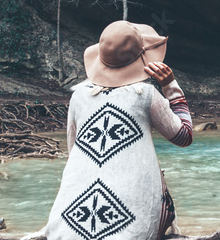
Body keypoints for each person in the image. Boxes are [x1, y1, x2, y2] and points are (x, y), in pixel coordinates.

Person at [44, 21, 193, 240]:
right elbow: (184, 136)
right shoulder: (146, 95)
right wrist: (171, 87)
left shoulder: (79, 96)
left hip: (66, 231)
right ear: (142, 57)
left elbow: (74, 151)